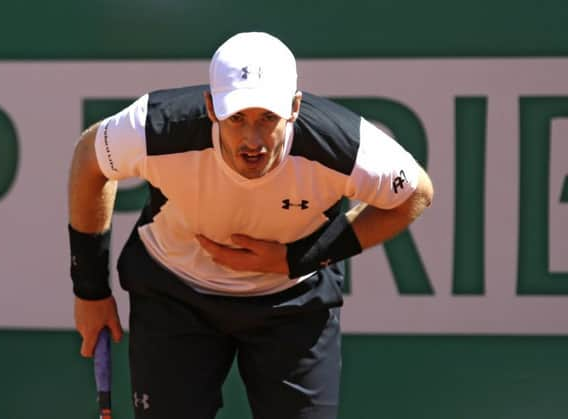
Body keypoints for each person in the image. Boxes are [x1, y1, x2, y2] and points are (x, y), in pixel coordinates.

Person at [68, 32, 433, 419]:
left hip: (292, 301)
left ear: (294, 107)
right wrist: (90, 290)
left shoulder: (341, 145)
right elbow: (88, 160)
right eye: (236, 117)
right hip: (174, 296)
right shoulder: (155, 127)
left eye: (267, 118)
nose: (252, 140)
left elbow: (416, 194)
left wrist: (301, 257)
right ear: (211, 107)